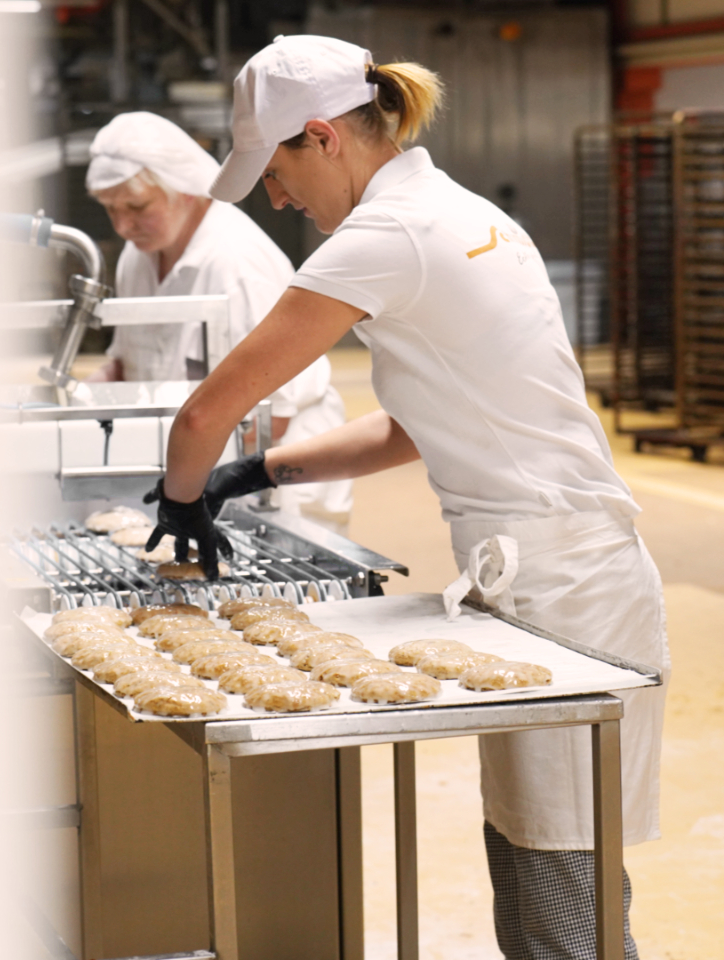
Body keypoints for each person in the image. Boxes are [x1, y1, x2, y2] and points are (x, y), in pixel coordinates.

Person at [143, 35, 670, 960]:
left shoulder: (383, 238)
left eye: (276, 170)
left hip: (562, 586)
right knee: (547, 874)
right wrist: (260, 473)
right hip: (569, 573)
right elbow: (423, 422)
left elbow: (204, 413)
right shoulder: (455, 212)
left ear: (322, 137)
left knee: (560, 901)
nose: (277, 196)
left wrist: (183, 500)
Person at [86, 111, 353, 530]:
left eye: (137, 207)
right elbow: (127, 363)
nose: (122, 226)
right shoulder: (138, 256)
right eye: (110, 210)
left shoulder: (236, 263)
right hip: (193, 465)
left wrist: (180, 479)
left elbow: (272, 415)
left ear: (186, 192)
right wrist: (79, 401)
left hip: (270, 473)